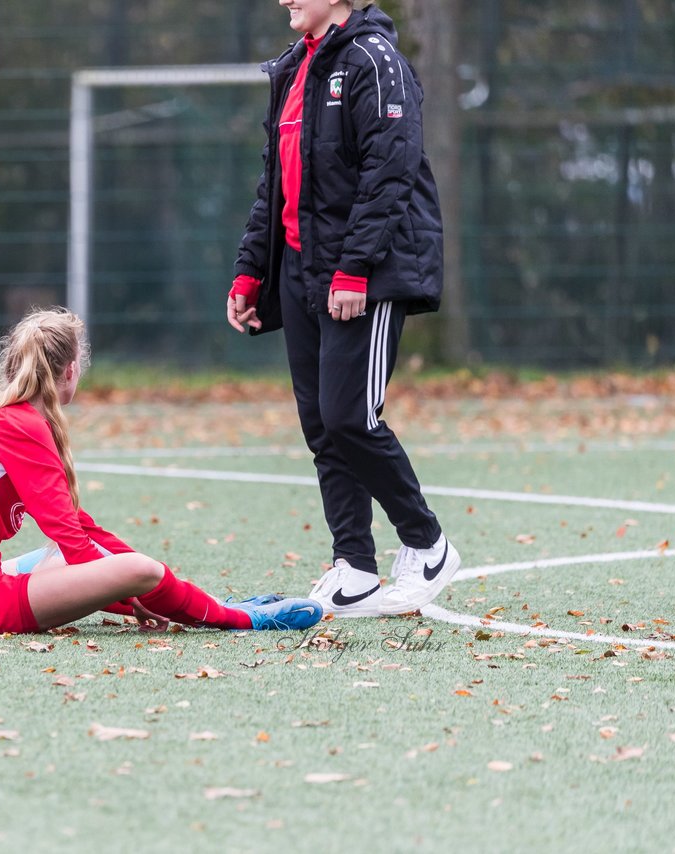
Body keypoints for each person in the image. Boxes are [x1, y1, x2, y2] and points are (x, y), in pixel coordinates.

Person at [226, 0, 459, 617]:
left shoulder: (375, 59)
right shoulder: (292, 68)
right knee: (322, 425)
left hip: (366, 273)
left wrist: (355, 267)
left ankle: (428, 543)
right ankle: (354, 564)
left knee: (351, 415)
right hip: (302, 271)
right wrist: (251, 270)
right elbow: (272, 182)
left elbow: (391, 171)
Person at [0, 307, 323, 635]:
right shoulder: (23, 426)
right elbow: (75, 540)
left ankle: (202, 603)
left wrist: (135, 590)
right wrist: (130, 587)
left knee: (105, 565)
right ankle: (237, 618)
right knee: (140, 570)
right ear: (70, 372)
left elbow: (77, 528)